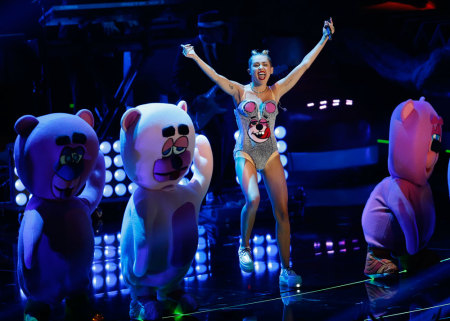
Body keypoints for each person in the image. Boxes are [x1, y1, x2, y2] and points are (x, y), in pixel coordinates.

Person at [181, 18, 335, 287]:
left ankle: (286, 270)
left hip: (271, 153)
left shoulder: (277, 90)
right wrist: (194, 56)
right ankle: (244, 247)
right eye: (256, 65)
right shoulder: (239, 91)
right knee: (252, 199)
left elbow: (305, 65)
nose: (261, 68)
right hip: (246, 153)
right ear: (250, 70)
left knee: (283, 212)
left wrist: (323, 38)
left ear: (271, 69)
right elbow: (215, 76)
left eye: (265, 64)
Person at [172, 10, 240, 204]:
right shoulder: (188, 50)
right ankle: (208, 190)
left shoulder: (226, 49)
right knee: (211, 146)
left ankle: (223, 188)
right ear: (211, 30)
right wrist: (193, 100)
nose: (222, 34)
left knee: (228, 145)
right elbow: (177, 81)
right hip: (200, 108)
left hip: (220, 107)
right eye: (219, 30)